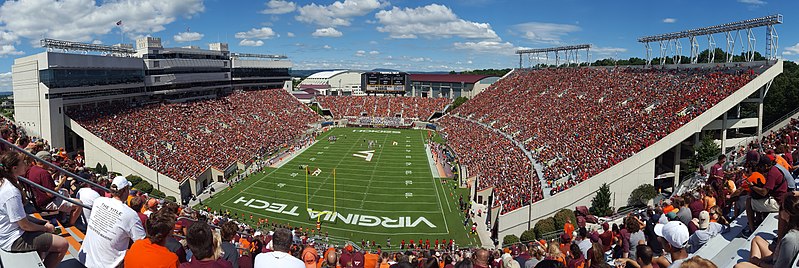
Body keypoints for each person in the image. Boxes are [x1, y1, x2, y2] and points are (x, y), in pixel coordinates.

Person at [0, 151, 68, 268]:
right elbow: (24, 225)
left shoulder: (6, 182)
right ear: (15, 168)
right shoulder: (11, 192)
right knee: (63, 244)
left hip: (9, 233)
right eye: (23, 162)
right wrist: (45, 227)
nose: (26, 164)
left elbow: (20, 217)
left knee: (45, 225)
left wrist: (41, 223)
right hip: (13, 239)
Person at [78, 175, 146, 268]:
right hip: (106, 265)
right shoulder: (131, 215)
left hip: (84, 258)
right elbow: (142, 243)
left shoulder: (99, 201)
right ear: (125, 190)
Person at [734, 192, 799, 268]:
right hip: (776, 259)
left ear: (788, 213)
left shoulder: (790, 239)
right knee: (756, 239)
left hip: (776, 265)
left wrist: (759, 263)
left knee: (739, 266)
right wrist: (761, 260)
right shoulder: (794, 230)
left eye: (781, 208)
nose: (779, 211)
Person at [27, 151, 82, 226]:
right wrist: (61, 182)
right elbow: (51, 194)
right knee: (79, 204)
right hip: (46, 203)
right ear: (45, 161)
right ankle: (70, 225)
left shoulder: (32, 169)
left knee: (64, 191)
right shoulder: (44, 173)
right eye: (50, 161)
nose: (51, 163)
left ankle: (63, 219)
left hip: (37, 200)